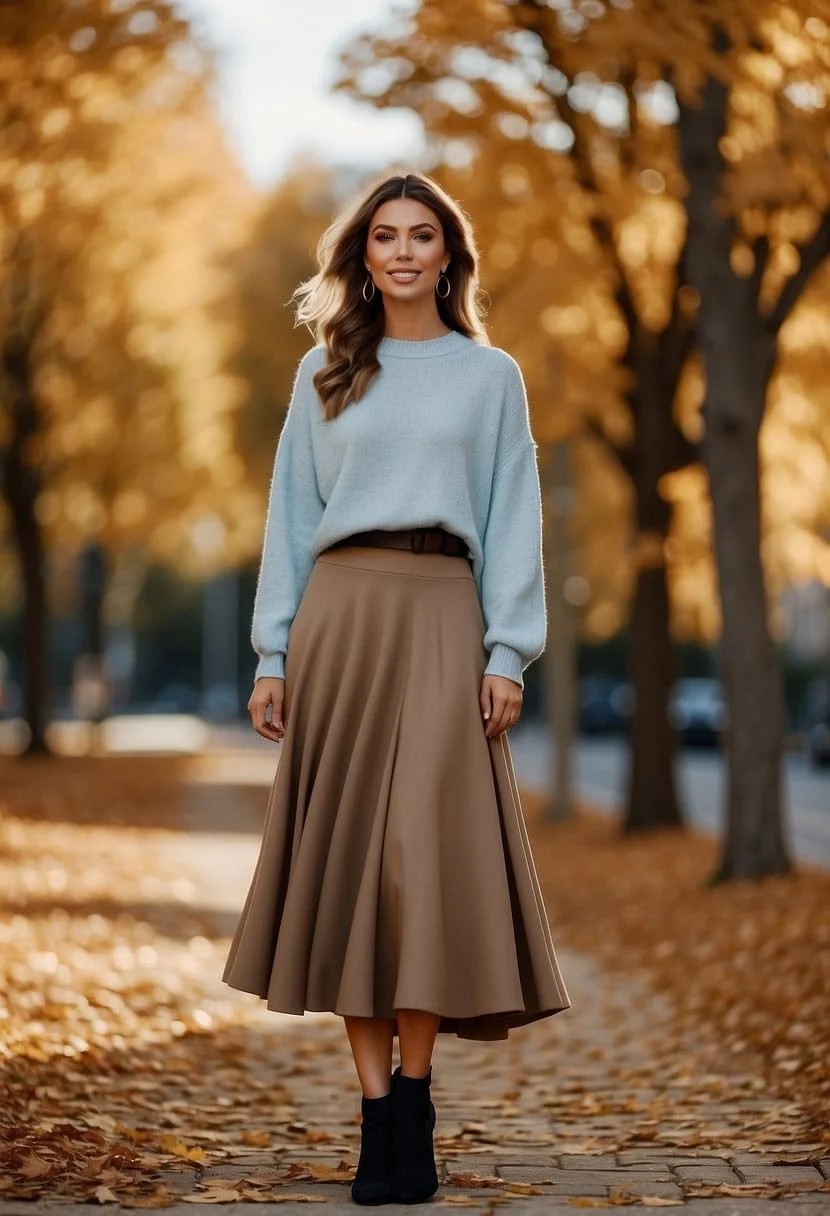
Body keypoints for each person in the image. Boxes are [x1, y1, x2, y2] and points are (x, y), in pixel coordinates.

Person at [222, 170, 570, 1206]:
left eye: (424, 235)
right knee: (346, 871)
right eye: (386, 235)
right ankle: (378, 1117)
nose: (405, 251)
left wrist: (505, 654)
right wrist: (270, 654)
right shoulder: (322, 371)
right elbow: (289, 517)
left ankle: (414, 1095)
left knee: (418, 864)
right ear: (362, 257)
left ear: (448, 256)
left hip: (442, 615)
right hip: (340, 620)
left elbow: (513, 516)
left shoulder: (488, 375)